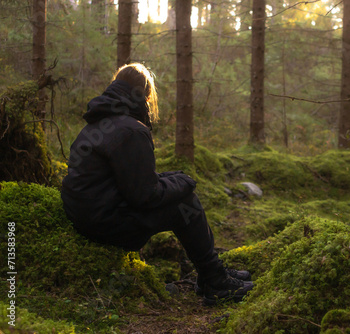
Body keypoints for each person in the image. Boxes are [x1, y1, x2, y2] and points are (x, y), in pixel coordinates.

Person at [61, 63, 253, 305]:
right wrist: (183, 184)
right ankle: (216, 281)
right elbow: (144, 196)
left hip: (88, 214)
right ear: (144, 94)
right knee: (187, 204)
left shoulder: (100, 123)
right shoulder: (131, 130)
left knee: (180, 187)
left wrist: (175, 178)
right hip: (104, 223)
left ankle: (212, 273)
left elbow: (131, 180)